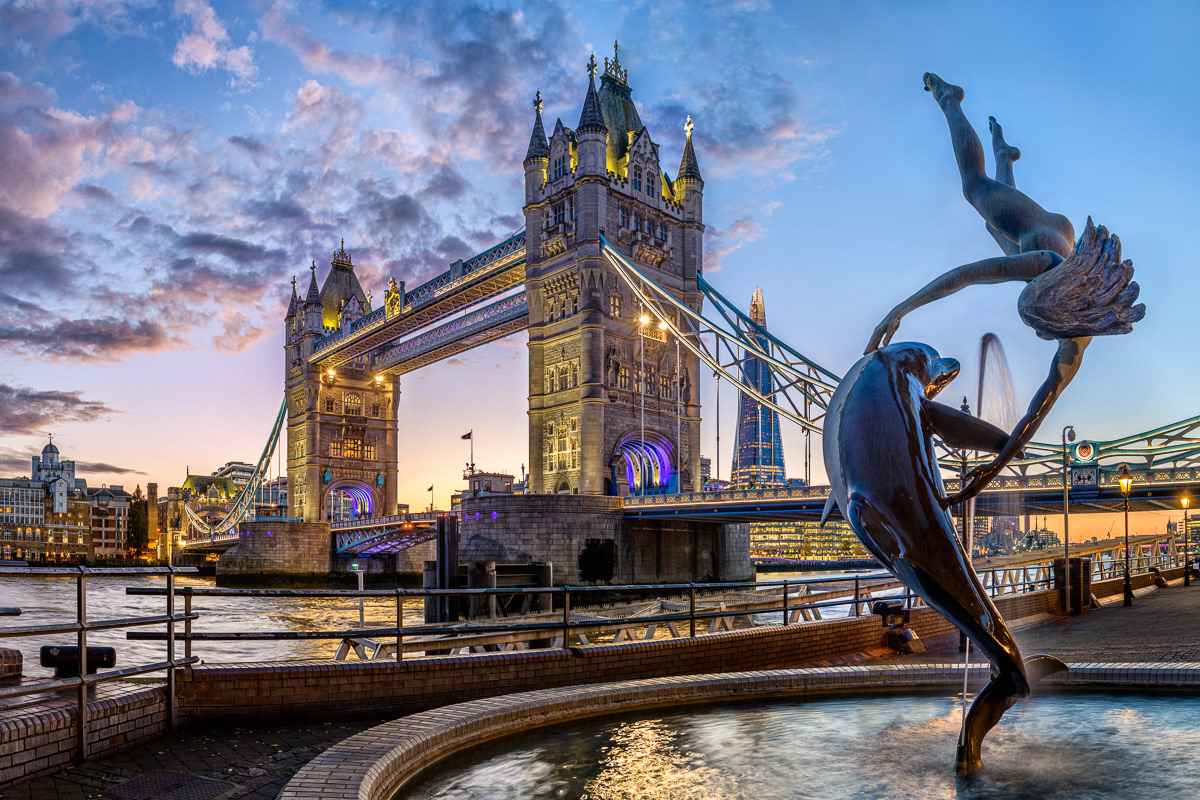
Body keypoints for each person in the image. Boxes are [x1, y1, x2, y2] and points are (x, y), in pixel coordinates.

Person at [866, 73, 1144, 505]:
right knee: (974, 188)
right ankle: (950, 100)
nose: (1039, 338)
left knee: (998, 231)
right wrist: (900, 309)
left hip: (1056, 235)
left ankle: (1004, 156)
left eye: (1040, 331)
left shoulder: (1077, 335)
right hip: (1046, 233)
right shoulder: (1045, 263)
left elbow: (1035, 412)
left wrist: (994, 468)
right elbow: (968, 274)